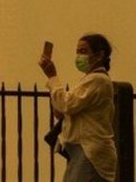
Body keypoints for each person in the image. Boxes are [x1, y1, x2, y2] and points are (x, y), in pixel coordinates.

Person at [38, 33, 117, 182]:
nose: (79, 56)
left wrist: (52, 77)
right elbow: (61, 111)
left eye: (83, 51)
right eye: (77, 51)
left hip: (90, 152)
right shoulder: (88, 80)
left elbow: (67, 105)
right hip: (80, 151)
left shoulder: (98, 80)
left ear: (99, 55)